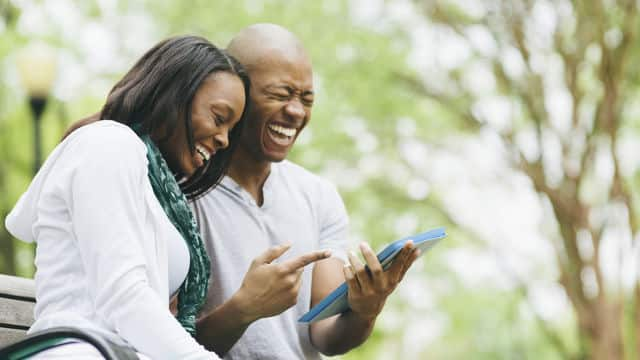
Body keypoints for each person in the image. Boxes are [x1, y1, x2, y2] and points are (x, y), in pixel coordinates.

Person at [5, 35, 250, 359]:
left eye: (231, 130)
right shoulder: (109, 144)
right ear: (174, 95)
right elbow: (124, 296)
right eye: (219, 118)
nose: (223, 139)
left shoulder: (157, 191)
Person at [193, 24, 421, 359]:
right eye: (280, 95)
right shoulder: (186, 188)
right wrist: (244, 309)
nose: (296, 111)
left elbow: (325, 337)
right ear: (236, 91)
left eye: (306, 98)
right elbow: (163, 340)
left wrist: (365, 310)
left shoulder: (318, 195)